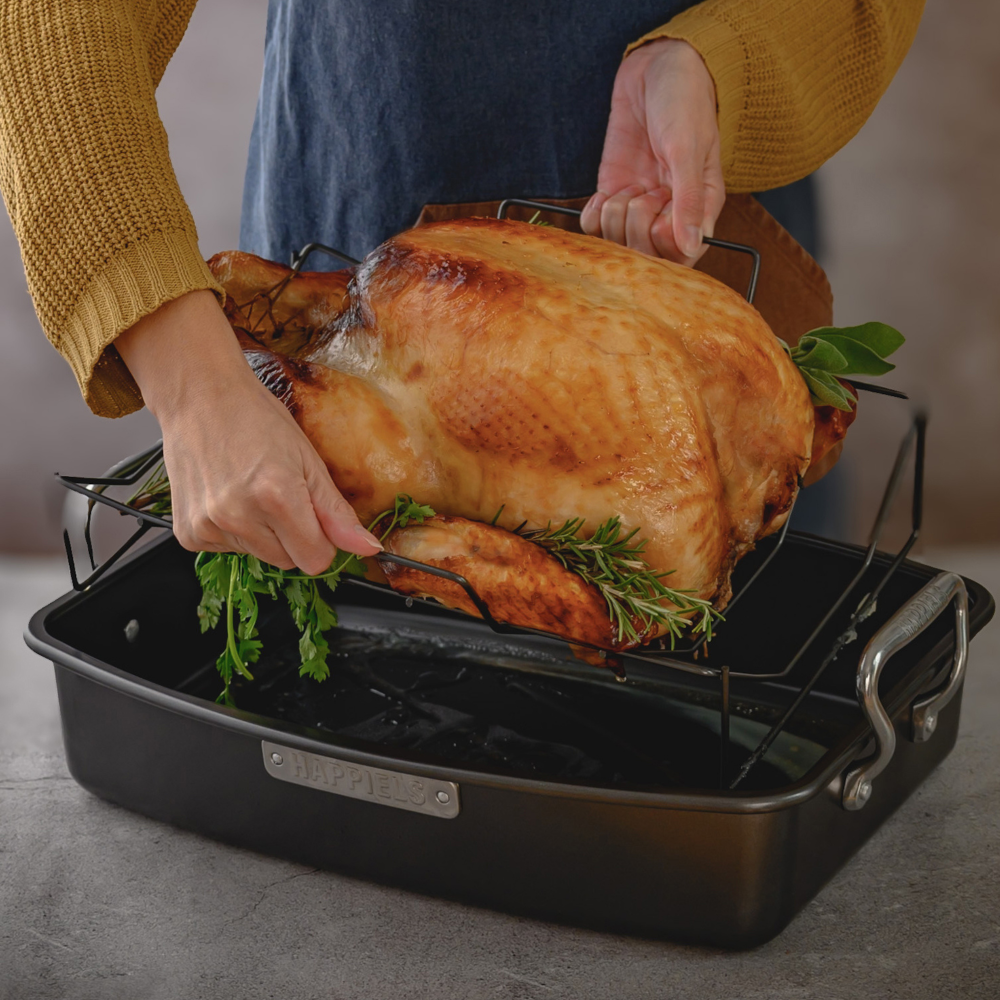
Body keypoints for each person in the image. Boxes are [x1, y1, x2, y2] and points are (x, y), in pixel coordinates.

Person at [0, 1, 923, 573]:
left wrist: (724, 61)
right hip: (357, 241)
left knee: (722, 699)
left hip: (692, 226)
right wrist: (198, 389)